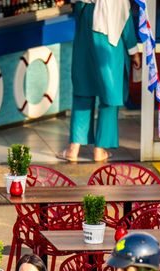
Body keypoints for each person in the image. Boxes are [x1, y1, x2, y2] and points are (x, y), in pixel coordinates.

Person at [58, 0, 141, 163]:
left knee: (83, 89)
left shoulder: (83, 6)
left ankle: (73, 148)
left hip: (85, 31)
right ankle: (99, 149)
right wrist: (134, 52)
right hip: (108, 39)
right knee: (110, 94)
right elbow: (125, 21)